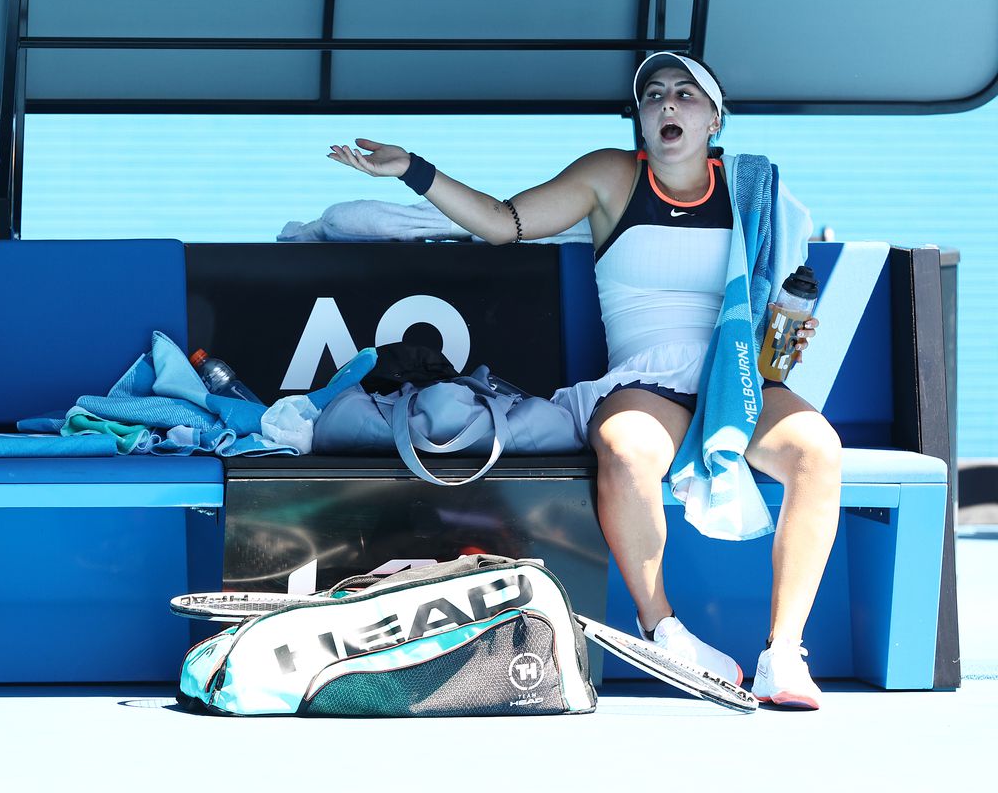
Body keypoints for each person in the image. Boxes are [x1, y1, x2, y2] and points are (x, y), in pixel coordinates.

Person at [328, 51, 841, 710]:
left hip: (736, 380)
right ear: (641, 119)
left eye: (685, 94)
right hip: (646, 386)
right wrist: (412, 169)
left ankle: (783, 653)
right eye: (653, 94)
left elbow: (773, 318)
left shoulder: (753, 191)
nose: (667, 104)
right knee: (627, 449)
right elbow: (500, 222)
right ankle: (664, 632)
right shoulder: (611, 175)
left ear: (715, 118)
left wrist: (785, 340)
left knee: (817, 449)